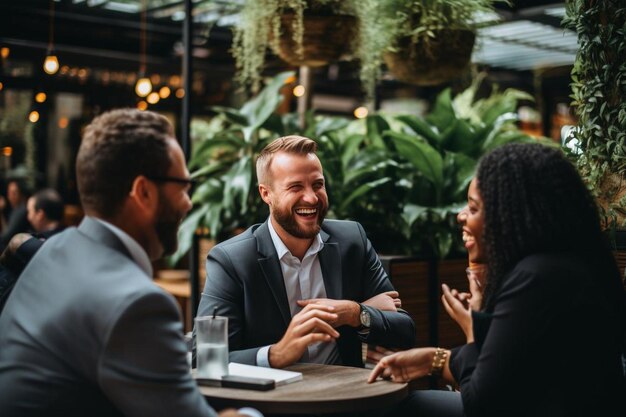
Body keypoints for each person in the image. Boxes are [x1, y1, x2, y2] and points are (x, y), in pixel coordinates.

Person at [0, 109, 255, 417]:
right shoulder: (136, 303)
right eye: (183, 187)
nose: (189, 203)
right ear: (144, 192)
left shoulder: (56, 250)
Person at [368, 143, 626, 417]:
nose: (461, 216)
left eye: (474, 208)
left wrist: (473, 328)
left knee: (411, 407)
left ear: (510, 215)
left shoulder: (536, 278)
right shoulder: (570, 264)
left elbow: (483, 404)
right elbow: (522, 370)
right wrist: (436, 359)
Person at [195, 135, 416, 369]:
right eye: (295, 187)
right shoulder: (232, 260)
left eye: (318, 185)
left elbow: (405, 330)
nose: (311, 198)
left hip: (350, 396)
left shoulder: (352, 241)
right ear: (266, 194)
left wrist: (354, 312)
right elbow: (203, 359)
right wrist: (276, 354)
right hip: (274, 403)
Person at [0, 178, 31, 251]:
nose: (10, 196)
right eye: (9, 193)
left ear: (22, 194)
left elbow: (6, 237)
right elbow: (6, 231)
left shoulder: (21, 210)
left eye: (14, 193)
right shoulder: (15, 209)